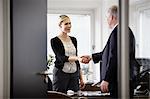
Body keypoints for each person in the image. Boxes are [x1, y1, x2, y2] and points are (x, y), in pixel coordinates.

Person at [81, 5, 138, 98]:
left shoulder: (117, 32)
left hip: (117, 81)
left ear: (112, 17)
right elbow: (107, 53)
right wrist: (91, 57)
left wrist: (106, 79)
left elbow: (114, 57)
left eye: (107, 18)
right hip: (124, 80)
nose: (107, 20)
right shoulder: (125, 30)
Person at [51, 15, 85, 94]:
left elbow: (77, 60)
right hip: (60, 74)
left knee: (75, 96)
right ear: (60, 25)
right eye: (66, 24)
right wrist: (77, 58)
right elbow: (61, 58)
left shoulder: (73, 39)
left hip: (74, 74)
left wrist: (81, 78)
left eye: (70, 23)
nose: (69, 26)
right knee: (59, 96)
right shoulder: (54, 40)